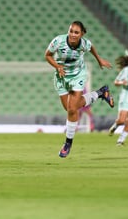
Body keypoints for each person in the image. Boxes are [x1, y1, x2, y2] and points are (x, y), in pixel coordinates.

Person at [45, 21, 114, 158]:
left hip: (78, 75)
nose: (73, 34)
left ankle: (67, 143)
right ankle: (101, 92)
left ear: (82, 34)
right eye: (71, 31)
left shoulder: (84, 43)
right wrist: (57, 67)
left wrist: (99, 60)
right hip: (61, 76)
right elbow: (47, 55)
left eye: (76, 32)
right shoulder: (58, 41)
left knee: (72, 109)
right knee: (70, 108)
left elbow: (91, 47)